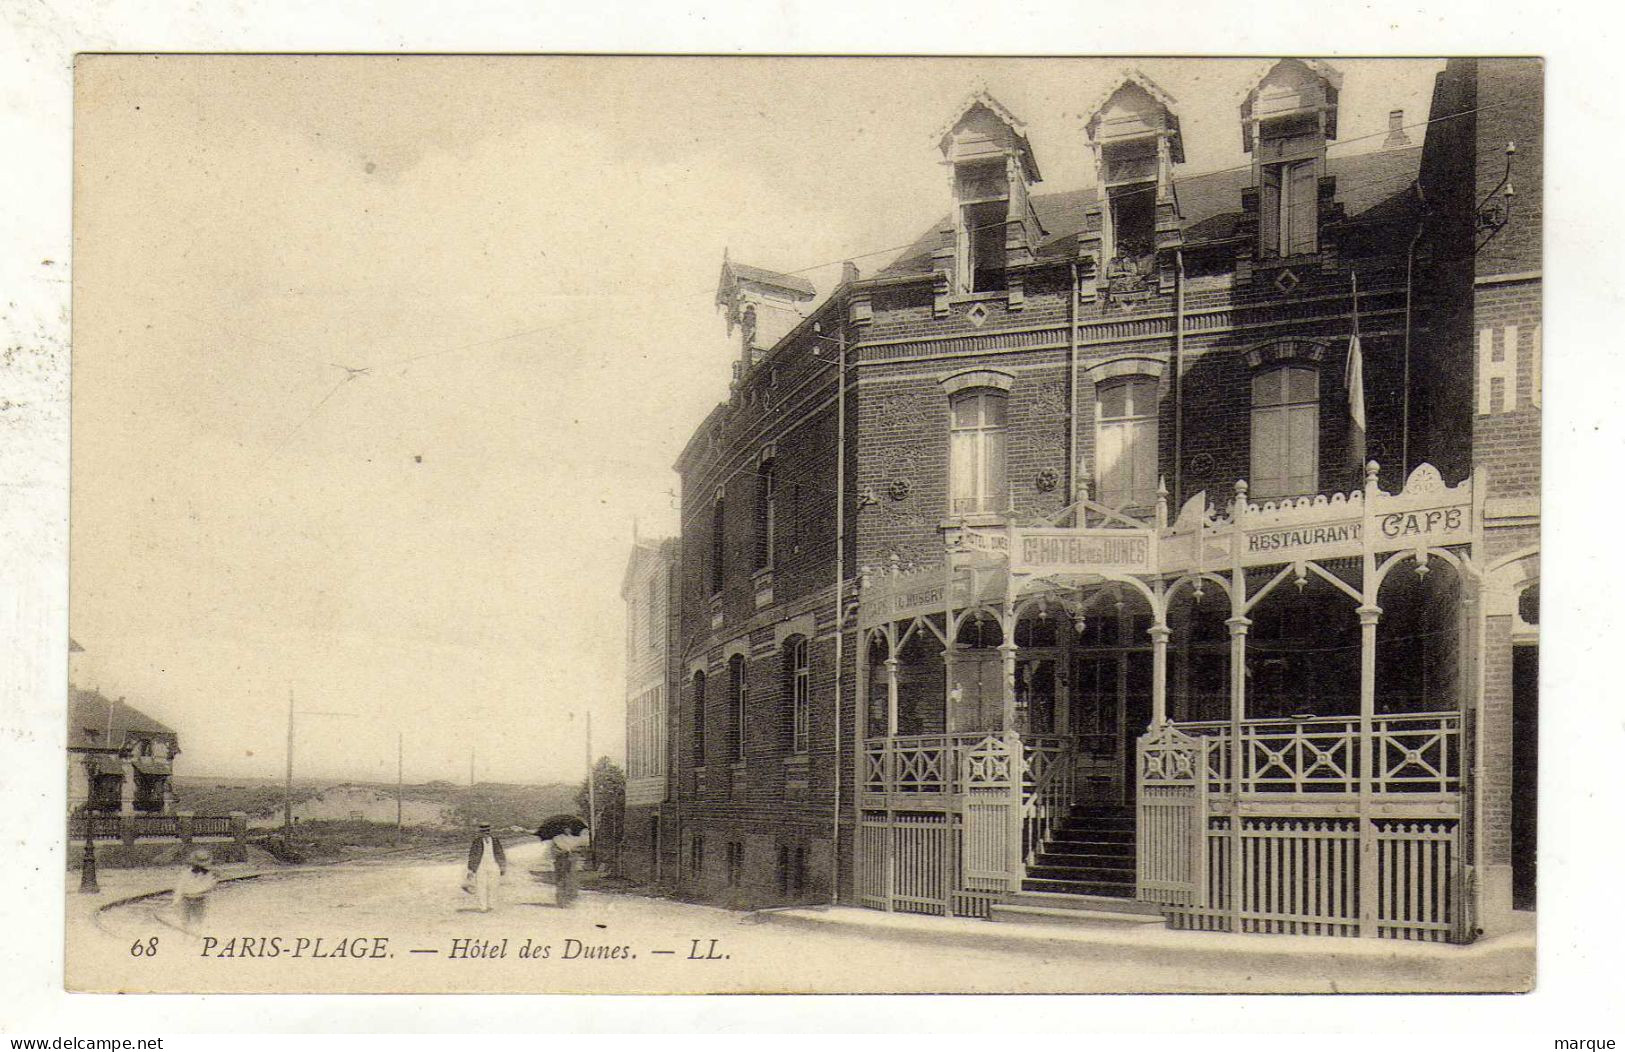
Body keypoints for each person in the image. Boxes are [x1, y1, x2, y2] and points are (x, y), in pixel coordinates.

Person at [463, 821, 507, 913]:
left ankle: (491, 905)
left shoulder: (495, 840)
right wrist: (471, 869)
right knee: (481, 886)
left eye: (487, 830)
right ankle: (483, 907)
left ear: (490, 831)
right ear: (480, 832)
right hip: (480, 866)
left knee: (493, 886)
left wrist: (502, 866)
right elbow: (472, 855)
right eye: (484, 831)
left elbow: (500, 853)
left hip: (493, 865)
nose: (486, 833)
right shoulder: (476, 841)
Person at [171, 848, 217, 933]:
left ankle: (197, 936)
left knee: (199, 922)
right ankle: (185, 936)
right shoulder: (186, 873)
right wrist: (176, 901)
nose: (199, 867)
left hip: (200, 900)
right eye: (197, 864)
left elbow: (208, 887)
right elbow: (180, 887)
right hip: (186, 899)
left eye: (202, 865)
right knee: (185, 921)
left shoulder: (209, 875)